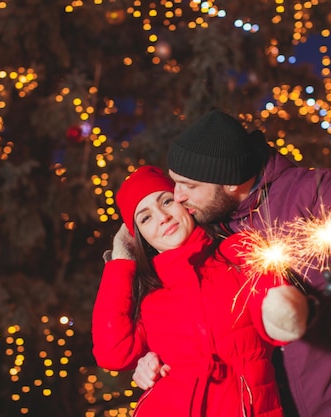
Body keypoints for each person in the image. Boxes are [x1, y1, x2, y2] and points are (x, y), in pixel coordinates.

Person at [132, 110, 331, 417]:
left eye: (189, 186)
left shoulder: (316, 191)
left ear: (228, 181)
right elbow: (188, 312)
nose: (178, 197)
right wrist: (152, 358)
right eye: (175, 183)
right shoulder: (209, 229)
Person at [91, 165, 311, 417]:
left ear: (184, 201)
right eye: (145, 217)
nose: (162, 217)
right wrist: (120, 261)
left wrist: (290, 308)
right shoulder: (151, 292)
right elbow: (113, 354)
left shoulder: (237, 252)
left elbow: (280, 325)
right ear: (139, 237)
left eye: (166, 201)